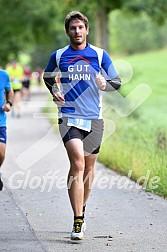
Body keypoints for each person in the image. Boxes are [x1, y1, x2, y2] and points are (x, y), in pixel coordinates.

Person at [43, 11, 121, 240]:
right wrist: (55, 90)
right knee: (77, 162)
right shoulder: (58, 56)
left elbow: (116, 82)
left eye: (80, 27)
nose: (77, 31)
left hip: (94, 118)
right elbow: (48, 77)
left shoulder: (99, 54)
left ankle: (82, 210)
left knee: (88, 169)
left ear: (87, 30)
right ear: (67, 31)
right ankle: (78, 222)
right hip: (68, 116)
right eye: (73, 28)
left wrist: (104, 84)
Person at [0, 69, 13, 190]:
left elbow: (10, 91)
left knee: (1, 153)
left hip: (0, 122)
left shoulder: (3, 75)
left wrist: (9, 103)